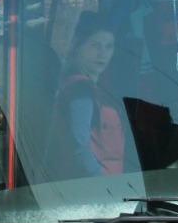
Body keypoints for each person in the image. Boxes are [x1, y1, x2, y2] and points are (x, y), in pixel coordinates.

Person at [49, 13, 132, 179]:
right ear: (78, 45)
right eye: (95, 45)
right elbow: (79, 148)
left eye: (109, 46)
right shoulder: (80, 90)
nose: (103, 54)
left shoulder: (91, 86)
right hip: (95, 192)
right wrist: (105, 186)